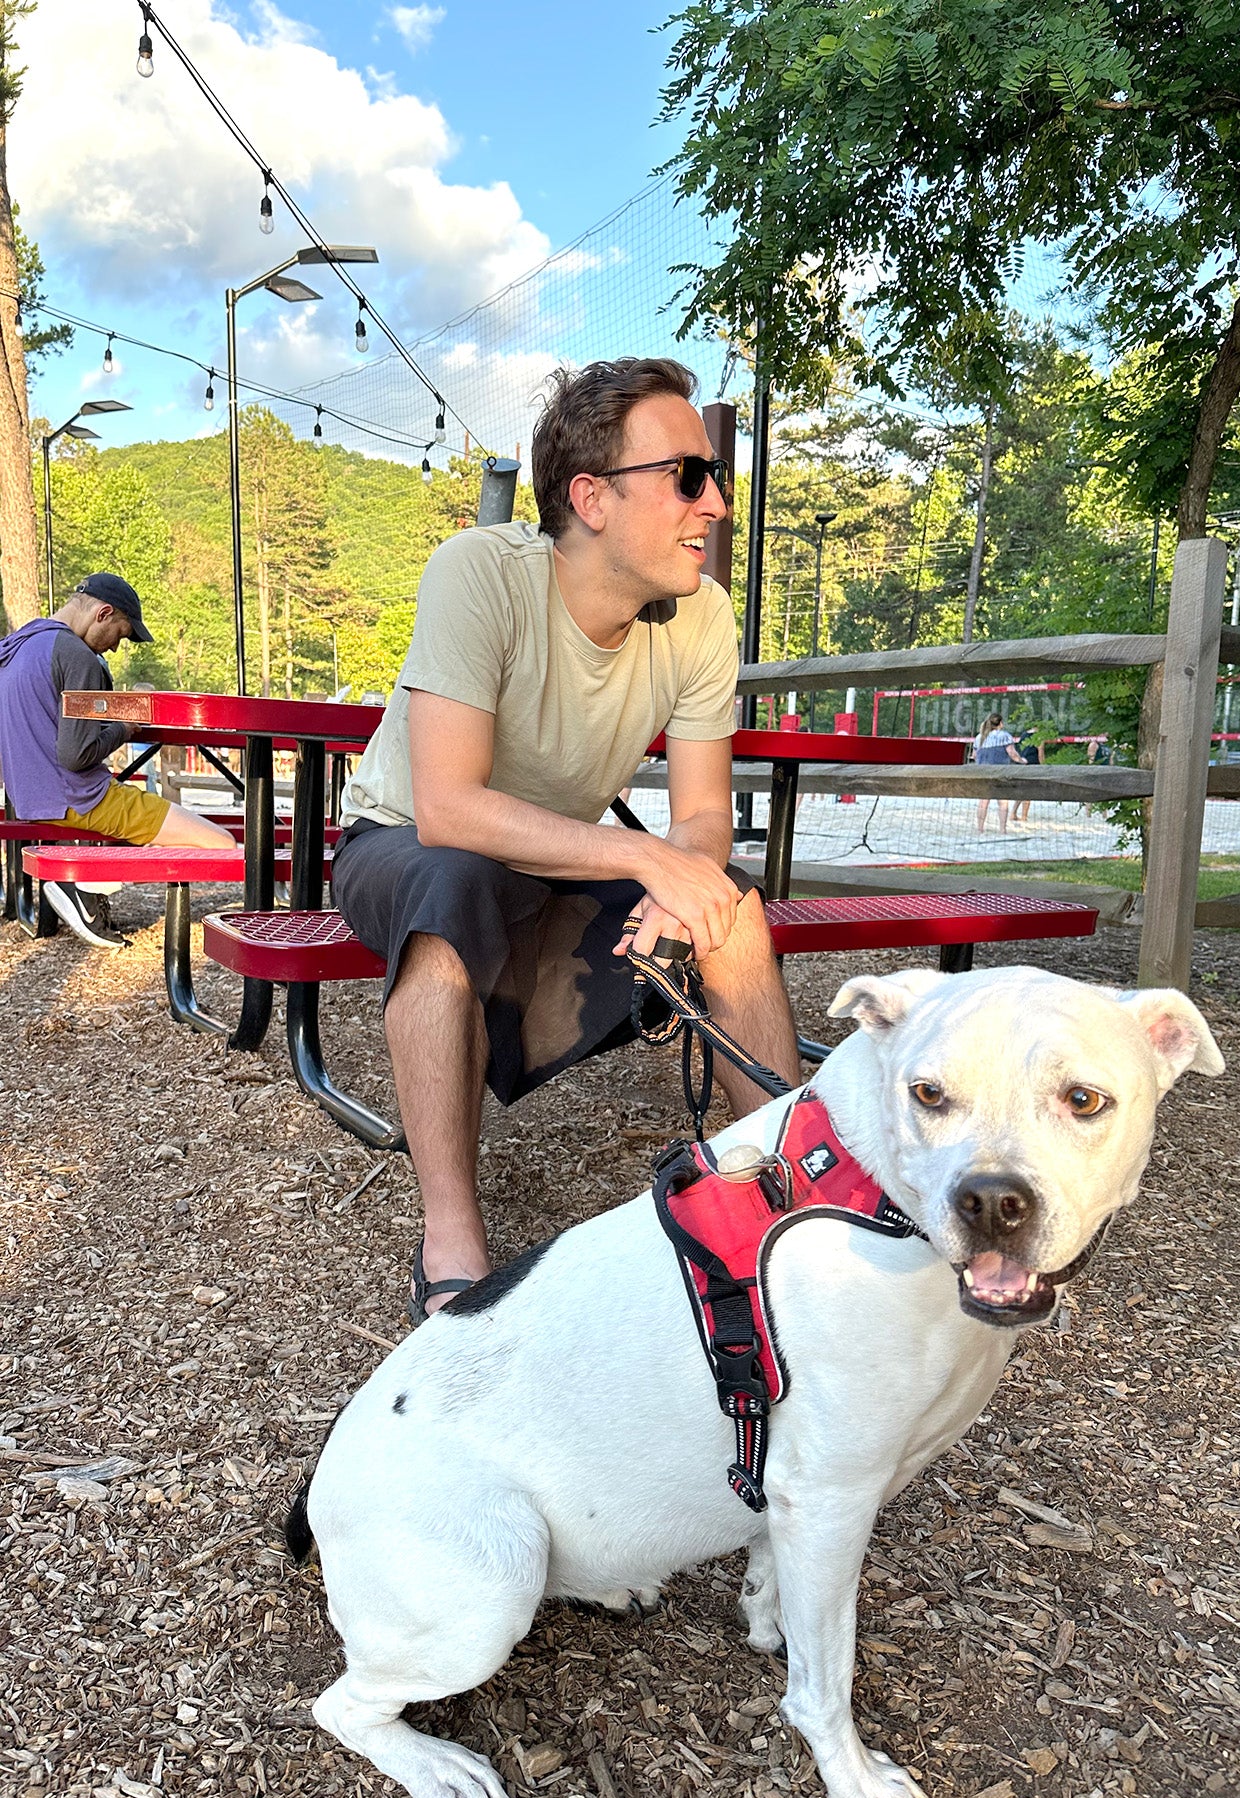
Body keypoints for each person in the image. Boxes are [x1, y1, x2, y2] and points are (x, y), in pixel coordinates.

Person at [333, 357, 801, 1322]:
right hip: (399, 843)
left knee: (732, 910)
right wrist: (645, 856)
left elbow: (705, 815)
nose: (714, 504)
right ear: (590, 497)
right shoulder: (481, 572)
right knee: (453, 886)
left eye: (715, 478)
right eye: (687, 476)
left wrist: (686, 879)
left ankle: (786, 1192)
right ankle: (452, 1231)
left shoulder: (704, 619)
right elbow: (448, 809)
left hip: (546, 859)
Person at [0, 573, 234, 948]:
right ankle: (83, 882)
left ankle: (86, 886)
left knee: (174, 830)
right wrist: (128, 725)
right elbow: (76, 755)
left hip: (29, 797)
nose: (113, 649)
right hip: (79, 797)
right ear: (103, 613)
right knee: (220, 844)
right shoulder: (76, 656)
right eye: (121, 635)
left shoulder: (20, 645)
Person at [971, 711, 1021, 832]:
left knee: (983, 801)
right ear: (1000, 723)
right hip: (1000, 771)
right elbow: (1012, 754)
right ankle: (1002, 829)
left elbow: (974, 755)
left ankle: (980, 828)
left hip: (983, 772)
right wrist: (1022, 760)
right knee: (1002, 801)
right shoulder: (1004, 736)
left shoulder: (979, 737)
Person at [1010, 722, 1045, 824]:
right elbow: (1040, 753)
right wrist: (1044, 767)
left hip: (1022, 763)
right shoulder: (1040, 736)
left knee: (1022, 790)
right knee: (1029, 791)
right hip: (1032, 764)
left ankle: (1013, 813)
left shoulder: (1024, 734)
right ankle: (1024, 816)